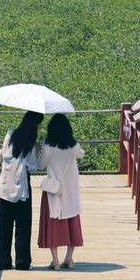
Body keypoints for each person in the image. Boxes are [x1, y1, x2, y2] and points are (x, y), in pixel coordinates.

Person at [0, 111, 43, 270]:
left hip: (5, 187)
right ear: (35, 125)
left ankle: (2, 261)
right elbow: (32, 167)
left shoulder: (10, 135)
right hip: (22, 189)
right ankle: (22, 261)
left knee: (3, 226)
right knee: (23, 225)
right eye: (40, 124)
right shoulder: (30, 143)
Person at [38, 113, 85, 269]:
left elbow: (41, 165)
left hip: (54, 190)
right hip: (70, 190)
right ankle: (69, 259)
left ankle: (55, 260)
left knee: (53, 222)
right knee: (72, 222)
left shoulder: (48, 147)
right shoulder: (73, 146)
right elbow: (81, 154)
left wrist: (41, 148)